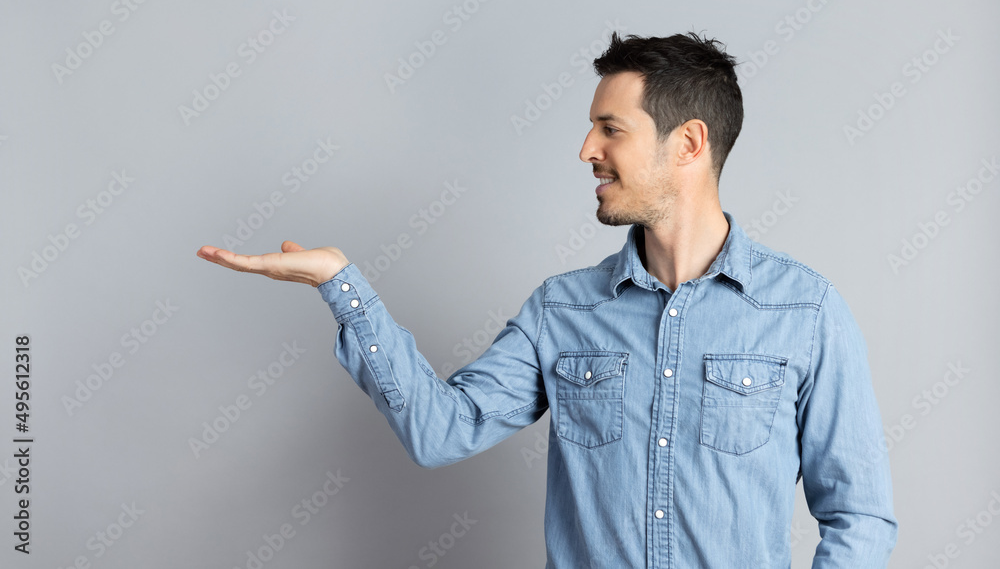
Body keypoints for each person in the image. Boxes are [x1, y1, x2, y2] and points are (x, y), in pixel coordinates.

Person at [197, 31, 897, 567]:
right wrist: (342, 286)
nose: (587, 148)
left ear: (688, 143)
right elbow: (441, 432)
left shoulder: (805, 313)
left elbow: (860, 517)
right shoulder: (562, 311)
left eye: (611, 128)